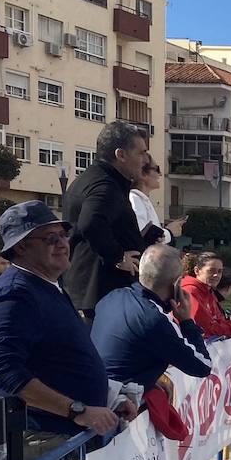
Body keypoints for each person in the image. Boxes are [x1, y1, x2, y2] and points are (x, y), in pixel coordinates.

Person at [0, 202, 127, 435]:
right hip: (45, 438)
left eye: (64, 235)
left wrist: (111, 399)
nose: (63, 244)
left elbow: (62, 360)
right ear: (20, 248)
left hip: (67, 434)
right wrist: (77, 410)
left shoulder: (47, 285)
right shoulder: (15, 294)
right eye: (51, 238)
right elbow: (3, 370)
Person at [90, 245, 213, 393]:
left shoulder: (112, 297)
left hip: (96, 385)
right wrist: (187, 322)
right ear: (176, 284)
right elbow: (203, 366)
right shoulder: (155, 320)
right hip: (116, 402)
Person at [62, 121, 151, 319]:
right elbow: (90, 223)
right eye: (141, 153)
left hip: (92, 292)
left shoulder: (88, 179)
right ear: (121, 155)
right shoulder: (105, 186)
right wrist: (118, 256)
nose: (146, 160)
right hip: (102, 295)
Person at [179, 253, 231, 341]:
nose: (216, 275)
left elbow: (219, 321)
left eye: (219, 271)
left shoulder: (208, 291)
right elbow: (207, 328)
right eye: (211, 271)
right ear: (197, 271)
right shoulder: (191, 291)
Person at [129, 161, 181, 246]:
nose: (160, 174)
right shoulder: (134, 200)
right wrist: (169, 232)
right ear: (144, 174)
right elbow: (142, 235)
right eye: (157, 169)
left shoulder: (141, 200)